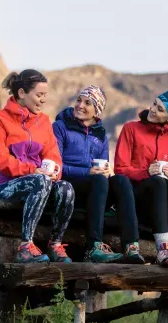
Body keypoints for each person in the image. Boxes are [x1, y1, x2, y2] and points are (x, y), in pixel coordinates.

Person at [0, 69, 75, 264]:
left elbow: (54, 156)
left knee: (66, 188)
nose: (43, 100)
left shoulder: (43, 122)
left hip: (40, 183)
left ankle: (55, 244)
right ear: (22, 93)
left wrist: (53, 172)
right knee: (39, 180)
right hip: (6, 187)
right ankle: (26, 247)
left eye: (45, 96)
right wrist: (33, 171)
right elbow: (1, 160)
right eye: (39, 95)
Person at [53, 86, 144, 264]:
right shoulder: (60, 127)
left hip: (94, 190)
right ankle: (93, 247)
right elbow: (56, 167)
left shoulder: (100, 134)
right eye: (79, 100)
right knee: (99, 182)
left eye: (87, 103)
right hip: (68, 188)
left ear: (97, 111)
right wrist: (87, 172)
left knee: (121, 181)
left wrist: (102, 173)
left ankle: (131, 246)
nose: (80, 105)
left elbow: (102, 168)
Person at [114, 90, 168, 268]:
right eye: (154, 104)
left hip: (162, 209)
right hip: (134, 202)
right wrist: (146, 172)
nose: (152, 110)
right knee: (158, 181)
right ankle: (163, 249)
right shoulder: (131, 129)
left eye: (160, 109)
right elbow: (120, 169)